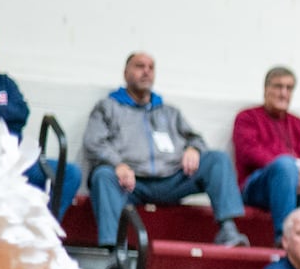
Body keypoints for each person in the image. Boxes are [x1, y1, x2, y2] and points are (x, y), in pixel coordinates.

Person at [82, 51, 249, 249]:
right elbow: (93, 142)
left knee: (217, 159)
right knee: (103, 175)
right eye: (139, 66)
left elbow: (195, 138)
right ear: (126, 73)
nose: (146, 72)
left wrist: (193, 149)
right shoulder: (108, 107)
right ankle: (114, 250)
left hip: (172, 179)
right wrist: (118, 164)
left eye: (151, 68)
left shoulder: (169, 112)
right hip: (132, 182)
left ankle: (228, 231)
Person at [0, 17, 81, 222]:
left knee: (69, 173)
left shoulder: (4, 82)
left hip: (12, 159)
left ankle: (43, 231)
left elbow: (21, 114)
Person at [232, 66, 300, 243]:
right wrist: (292, 172)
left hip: (297, 184)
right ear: (265, 89)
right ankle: (285, 239)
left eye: (289, 88)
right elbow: (249, 153)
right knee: (285, 166)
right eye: (278, 86)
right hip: (256, 186)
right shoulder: (247, 117)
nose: (283, 93)